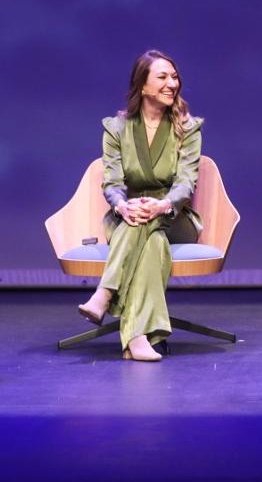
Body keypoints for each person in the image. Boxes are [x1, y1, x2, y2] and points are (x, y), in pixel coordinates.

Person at [77, 50, 204, 362]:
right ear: (142, 85)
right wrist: (122, 206)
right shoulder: (116, 128)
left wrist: (162, 205)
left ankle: (104, 293)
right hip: (129, 214)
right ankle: (139, 337)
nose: (172, 83)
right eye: (162, 77)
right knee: (151, 242)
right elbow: (111, 182)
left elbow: (186, 182)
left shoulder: (187, 127)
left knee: (147, 223)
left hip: (175, 215)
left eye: (174, 77)